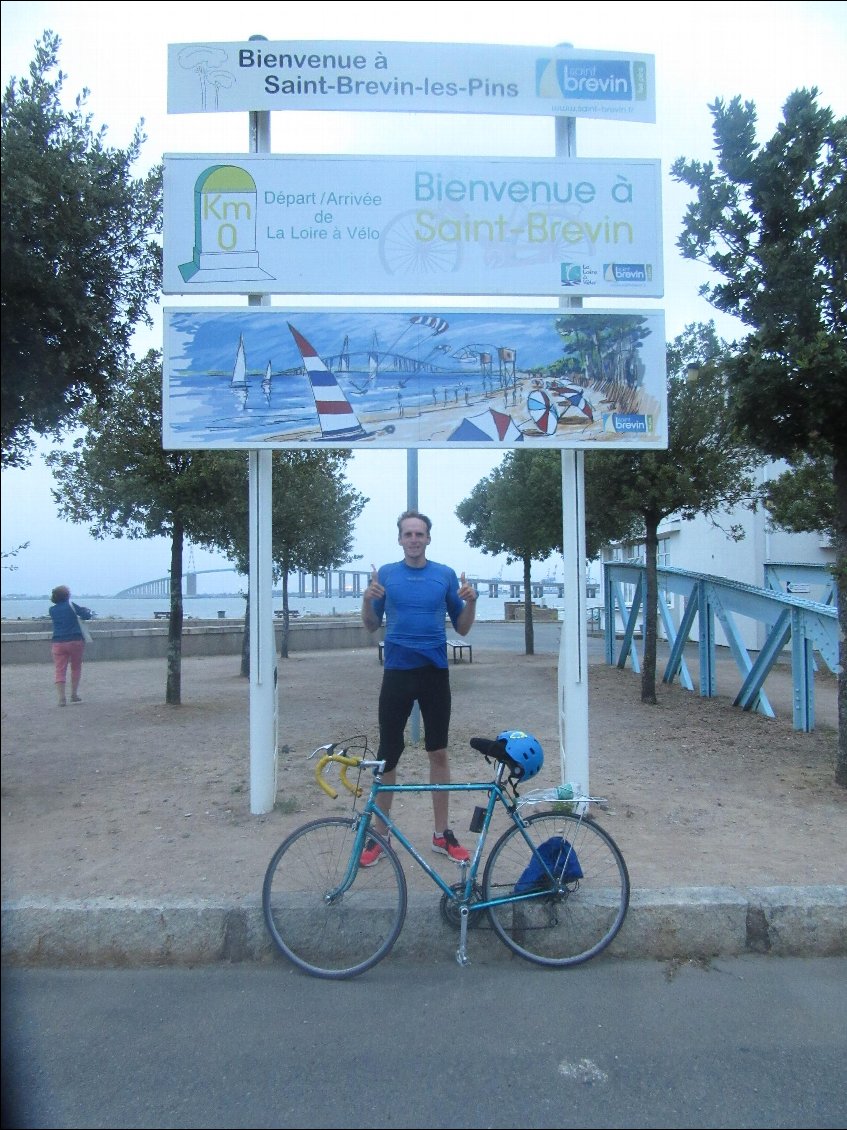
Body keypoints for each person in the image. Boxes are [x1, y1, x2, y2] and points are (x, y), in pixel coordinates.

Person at [360, 509, 477, 867]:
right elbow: (370, 626)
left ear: (428, 538)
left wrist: (471, 602)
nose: (413, 539)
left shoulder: (443, 576)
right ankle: (380, 835)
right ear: (399, 539)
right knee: (388, 753)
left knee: (438, 752)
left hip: (433, 673)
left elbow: (463, 629)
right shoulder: (387, 576)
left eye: (419, 534)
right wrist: (367, 599)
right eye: (408, 534)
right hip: (396, 672)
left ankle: (441, 833)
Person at [49, 585, 94, 707]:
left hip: (58, 641)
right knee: (75, 667)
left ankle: (61, 698)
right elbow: (86, 616)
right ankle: (74, 694)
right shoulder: (72, 606)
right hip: (75, 640)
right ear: (67, 595)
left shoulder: (52, 610)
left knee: (60, 669)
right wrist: (86, 610)